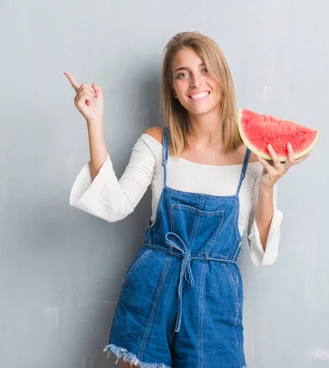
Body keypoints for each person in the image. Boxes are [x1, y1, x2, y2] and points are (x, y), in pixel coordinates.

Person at [64, 31, 309, 368]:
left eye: (205, 69)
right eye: (183, 74)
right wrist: (94, 123)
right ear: (174, 90)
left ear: (222, 78)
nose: (196, 81)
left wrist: (267, 184)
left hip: (215, 300)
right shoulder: (155, 143)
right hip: (152, 287)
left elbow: (262, 253)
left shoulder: (254, 157)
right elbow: (114, 205)